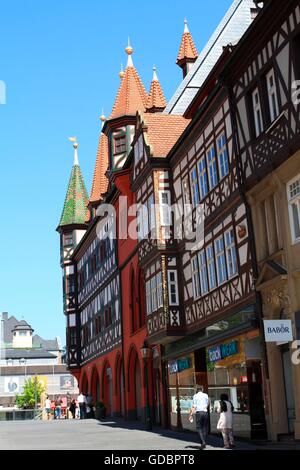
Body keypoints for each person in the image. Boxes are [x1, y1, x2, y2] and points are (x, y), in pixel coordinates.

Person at [189, 386, 210, 450]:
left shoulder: (195, 396)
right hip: (205, 412)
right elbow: (208, 402)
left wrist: (191, 414)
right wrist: (206, 406)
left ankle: (202, 442)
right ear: (202, 389)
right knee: (205, 427)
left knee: (199, 428)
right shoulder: (206, 395)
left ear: (196, 390)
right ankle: (204, 441)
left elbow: (194, 406)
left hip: (199, 413)